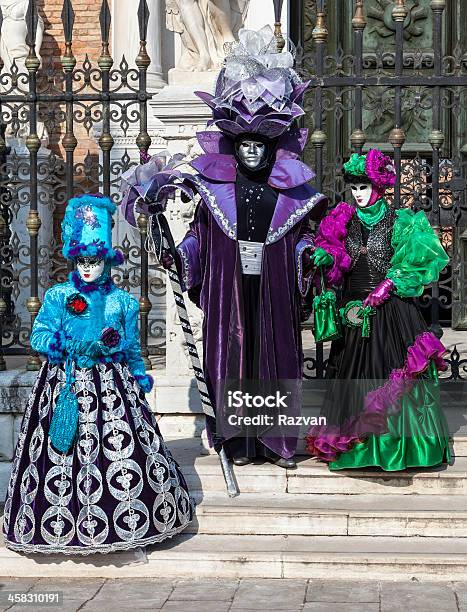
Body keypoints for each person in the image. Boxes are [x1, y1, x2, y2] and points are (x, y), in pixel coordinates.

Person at [165, 27, 328, 469]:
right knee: (236, 355)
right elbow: (198, 238)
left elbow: (304, 238)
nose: (253, 153)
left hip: (274, 287)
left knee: (273, 355)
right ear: (235, 149)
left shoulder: (292, 194)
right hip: (230, 288)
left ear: (273, 148)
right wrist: (180, 256)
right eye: (246, 145)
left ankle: (276, 442)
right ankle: (238, 443)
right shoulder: (214, 193)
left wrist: (306, 257)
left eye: (261, 145)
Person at [3, 194, 193, 555]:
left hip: (112, 387)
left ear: (107, 262)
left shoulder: (122, 302)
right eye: (82, 260)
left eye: (95, 260)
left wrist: (138, 377)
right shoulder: (59, 296)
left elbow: (133, 349)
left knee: (118, 453)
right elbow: (40, 336)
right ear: (75, 260)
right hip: (65, 381)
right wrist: (69, 344)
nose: (88, 268)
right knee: (63, 449)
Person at [306, 149, 452, 471]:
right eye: (354, 188)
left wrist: (388, 285)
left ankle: (401, 450)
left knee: (395, 376)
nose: (358, 194)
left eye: (363, 187)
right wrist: (327, 258)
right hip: (356, 312)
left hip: (393, 310)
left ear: (378, 186)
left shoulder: (400, 221)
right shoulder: (343, 220)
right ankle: (359, 450)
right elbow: (338, 258)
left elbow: (417, 259)